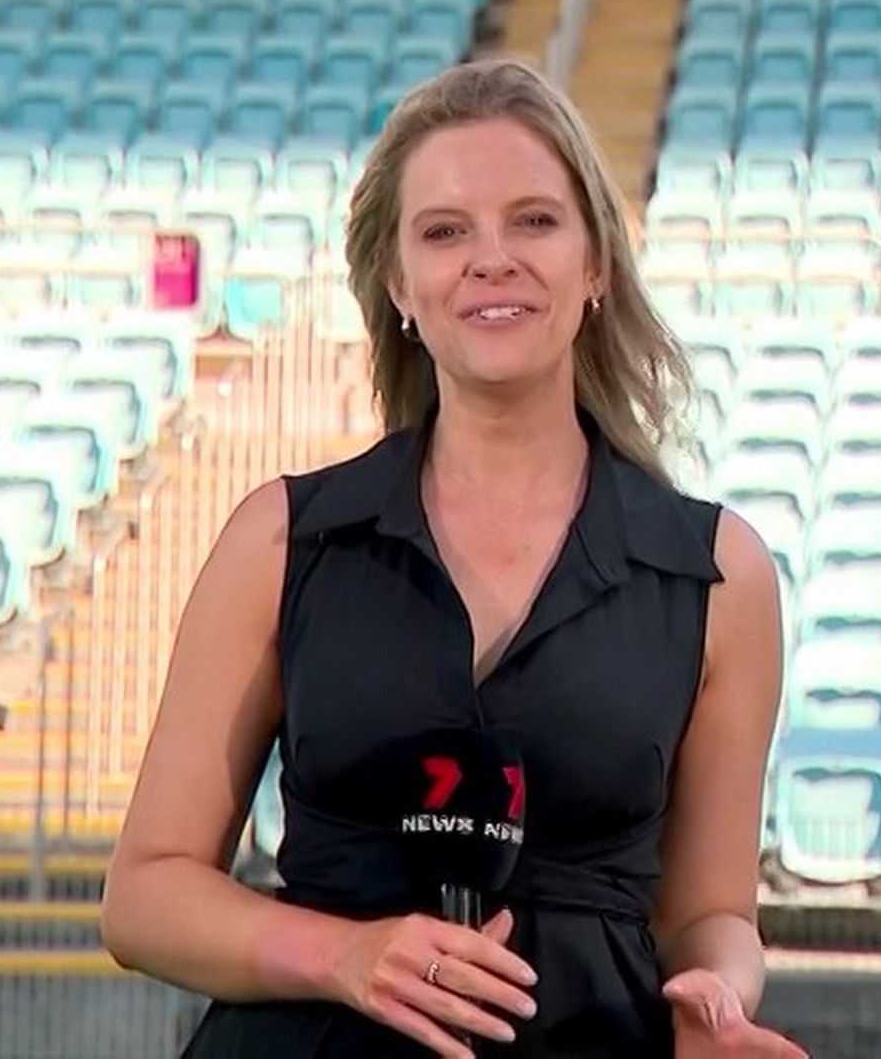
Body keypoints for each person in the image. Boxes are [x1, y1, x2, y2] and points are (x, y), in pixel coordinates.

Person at [101, 58, 806, 1059]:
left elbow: (712, 915)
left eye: (535, 221)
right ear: (397, 283)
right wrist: (345, 956)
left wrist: (719, 996)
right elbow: (144, 897)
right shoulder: (282, 542)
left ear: (596, 265)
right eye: (444, 232)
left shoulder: (719, 575)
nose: (491, 259)